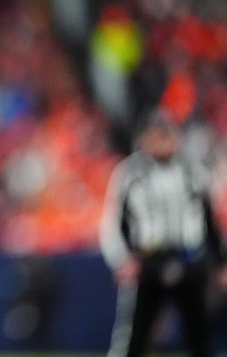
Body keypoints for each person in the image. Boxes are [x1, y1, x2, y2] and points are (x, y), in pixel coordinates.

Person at [100, 108, 227, 357]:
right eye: (156, 134)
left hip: (190, 259)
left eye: (167, 134)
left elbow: (209, 221)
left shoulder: (194, 172)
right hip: (148, 261)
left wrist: (222, 262)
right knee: (133, 338)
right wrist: (121, 258)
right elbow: (114, 221)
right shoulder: (130, 172)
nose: (162, 140)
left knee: (199, 337)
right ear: (144, 137)